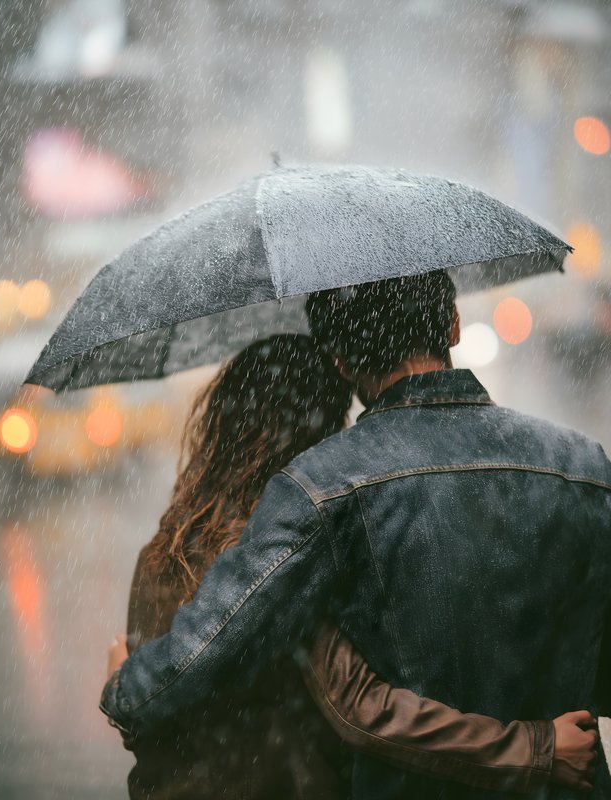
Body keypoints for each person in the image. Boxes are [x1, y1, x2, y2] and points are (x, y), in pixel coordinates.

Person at [101, 273, 611, 799]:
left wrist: (126, 690)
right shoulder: (584, 465)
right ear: (454, 325)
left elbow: (218, 637)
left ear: (341, 362)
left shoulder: (323, 486)